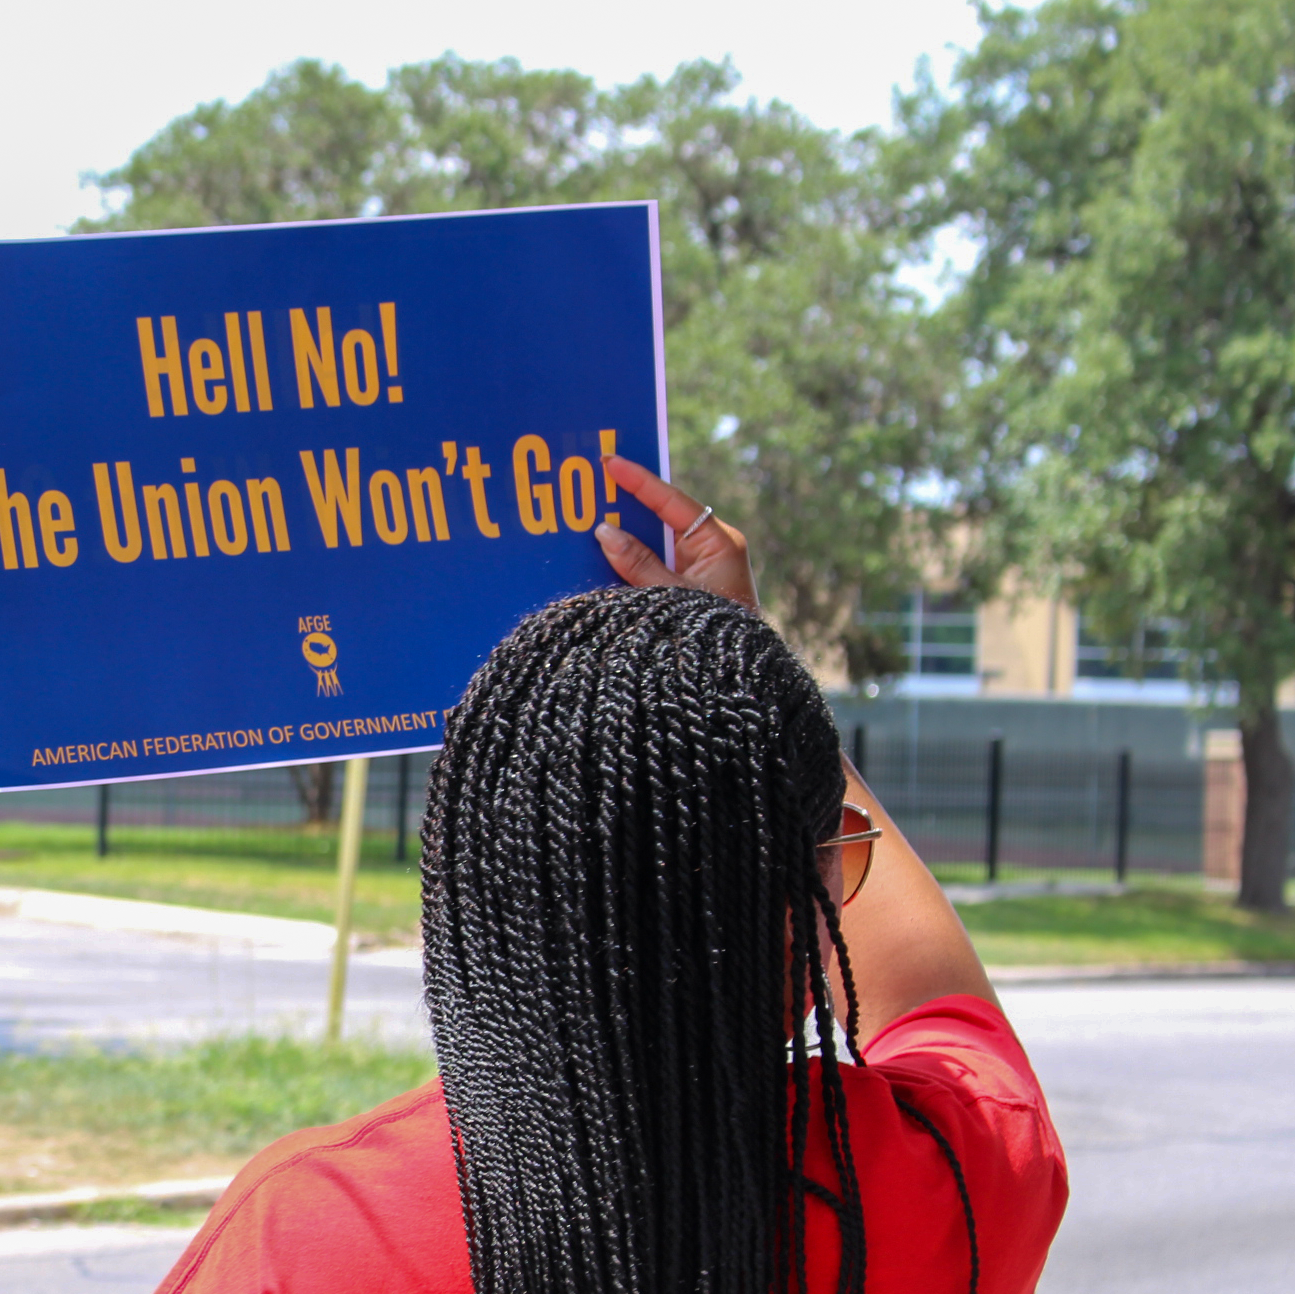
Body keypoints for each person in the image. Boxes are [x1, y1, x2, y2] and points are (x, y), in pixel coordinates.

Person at [155, 457, 1068, 1294]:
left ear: (480, 900)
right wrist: (744, 666)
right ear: (806, 906)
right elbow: (947, 1010)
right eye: (841, 852)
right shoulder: (947, 1188)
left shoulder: (306, 1239)